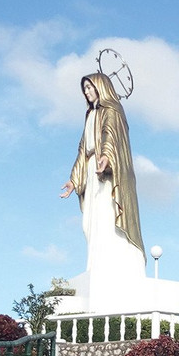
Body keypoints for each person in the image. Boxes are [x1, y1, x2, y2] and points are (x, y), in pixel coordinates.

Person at [60, 72, 145, 278]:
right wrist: (74, 179)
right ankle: (97, 264)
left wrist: (106, 157)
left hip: (107, 173)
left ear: (101, 87)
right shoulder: (90, 115)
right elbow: (83, 149)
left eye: (90, 87)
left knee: (107, 215)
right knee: (91, 220)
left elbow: (110, 135)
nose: (87, 92)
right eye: (85, 89)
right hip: (91, 170)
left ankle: (114, 264)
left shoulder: (112, 110)